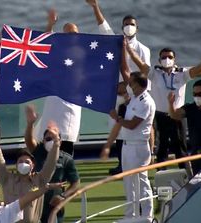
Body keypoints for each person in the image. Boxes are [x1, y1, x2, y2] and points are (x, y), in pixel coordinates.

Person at [87, 0, 153, 175]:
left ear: (137, 29)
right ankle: (121, 163)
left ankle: (145, 159)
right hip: (116, 93)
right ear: (122, 27)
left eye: (132, 25)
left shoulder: (143, 49)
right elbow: (103, 26)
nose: (129, 27)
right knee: (117, 127)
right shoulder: (114, 41)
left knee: (136, 127)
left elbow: (144, 72)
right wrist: (95, 7)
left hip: (134, 93)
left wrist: (130, 89)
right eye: (126, 24)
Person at [128, 47, 201, 171]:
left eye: (169, 57)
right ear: (159, 60)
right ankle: (161, 177)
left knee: (181, 149)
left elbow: (200, 67)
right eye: (163, 57)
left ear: (175, 59)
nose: (166, 59)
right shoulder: (155, 73)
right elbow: (141, 65)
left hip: (177, 116)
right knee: (161, 149)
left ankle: (186, 177)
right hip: (160, 116)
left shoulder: (183, 73)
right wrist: (130, 52)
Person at [0, 116, 59, 223]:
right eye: (20, 161)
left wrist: (56, 143)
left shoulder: (40, 180)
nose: (23, 164)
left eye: (27, 162)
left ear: (33, 165)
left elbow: (51, 163)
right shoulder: (7, 179)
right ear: (16, 165)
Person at [35, 9, 81, 156]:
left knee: (65, 155)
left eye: (73, 34)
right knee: (47, 151)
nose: (70, 36)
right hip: (53, 106)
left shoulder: (85, 53)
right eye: (67, 34)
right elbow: (45, 44)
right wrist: (50, 24)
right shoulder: (57, 53)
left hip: (70, 109)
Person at [110, 71, 155, 220]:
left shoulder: (145, 101)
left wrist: (117, 118)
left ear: (139, 84)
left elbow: (132, 125)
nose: (128, 85)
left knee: (141, 182)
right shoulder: (135, 99)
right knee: (128, 181)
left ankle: (147, 216)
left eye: (131, 83)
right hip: (127, 145)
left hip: (138, 146)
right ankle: (131, 215)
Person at [25, 105, 80, 223]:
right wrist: (30, 124)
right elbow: (29, 141)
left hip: (54, 203)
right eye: (47, 139)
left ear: (59, 141)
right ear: (43, 141)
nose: (50, 141)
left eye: (54, 138)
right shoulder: (40, 152)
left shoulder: (66, 159)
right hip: (36, 201)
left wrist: (63, 196)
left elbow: (75, 183)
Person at [168, 80, 201, 175]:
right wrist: (171, 103)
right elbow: (175, 115)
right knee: (198, 181)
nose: (198, 96)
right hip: (197, 153)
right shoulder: (190, 108)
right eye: (195, 93)